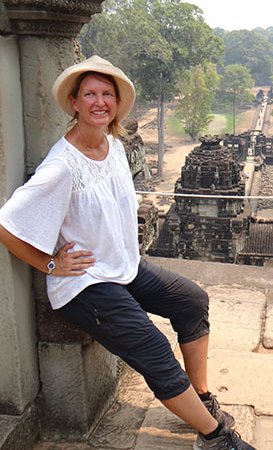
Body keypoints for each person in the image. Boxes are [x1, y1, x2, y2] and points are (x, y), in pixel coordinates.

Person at [0, 55, 256, 450]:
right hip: (85, 284)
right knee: (154, 348)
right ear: (74, 102)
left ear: (117, 103)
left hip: (123, 267)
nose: (99, 102)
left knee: (192, 301)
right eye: (90, 94)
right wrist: (50, 263)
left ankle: (202, 398)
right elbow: (8, 224)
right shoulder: (62, 166)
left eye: (107, 94)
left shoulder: (113, 146)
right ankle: (216, 438)